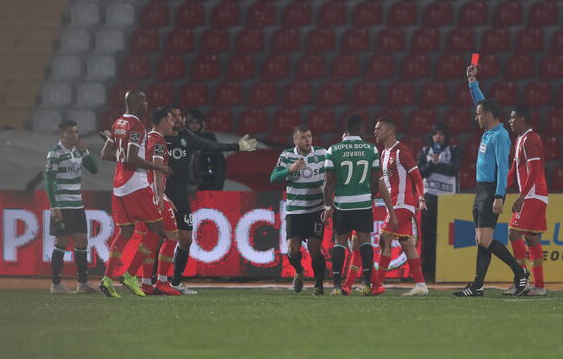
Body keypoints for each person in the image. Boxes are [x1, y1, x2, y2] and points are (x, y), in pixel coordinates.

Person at [453, 63, 529, 297]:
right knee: (480, 239)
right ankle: (477, 285)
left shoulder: (501, 136)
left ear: (488, 115)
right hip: (481, 190)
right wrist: (472, 82)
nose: (476, 117)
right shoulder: (489, 132)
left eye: (478, 114)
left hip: (490, 191)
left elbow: (503, 167)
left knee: (485, 239)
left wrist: (499, 195)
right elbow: (481, 101)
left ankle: (520, 272)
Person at [164, 106, 258, 293]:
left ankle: (174, 282)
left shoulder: (186, 136)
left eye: (178, 116)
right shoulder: (156, 138)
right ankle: (150, 281)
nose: (176, 119)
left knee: (185, 240)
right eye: (171, 116)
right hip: (161, 195)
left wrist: (236, 146)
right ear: (164, 119)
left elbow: (211, 146)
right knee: (159, 239)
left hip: (181, 196)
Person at [97, 90, 172, 298]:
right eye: (144, 100)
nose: (147, 104)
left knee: (126, 233)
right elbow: (131, 157)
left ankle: (107, 279)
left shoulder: (118, 123)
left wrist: (122, 155)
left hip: (118, 186)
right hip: (135, 185)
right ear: (137, 102)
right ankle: (130, 275)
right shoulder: (137, 125)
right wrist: (158, 168)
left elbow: (106, 154)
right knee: (158, 231)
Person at [322, 114, 398, 296]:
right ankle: (365, 284)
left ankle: (337, 286)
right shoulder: (371, 149)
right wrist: (368, 197)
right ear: (361, 129)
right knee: (364, 241)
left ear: (346, 129)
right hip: (363, 203)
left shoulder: (333, 150)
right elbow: (375, 180)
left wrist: (327, 207)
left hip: (342, 204)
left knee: (340, 242)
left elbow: (329, 183)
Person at [372, 118, 429, 296]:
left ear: (389, 132)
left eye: (378, 129)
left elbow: (417, 177)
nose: (375, 132)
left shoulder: (401, 152)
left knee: (384, 238)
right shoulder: (383, 153)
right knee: (407, 244)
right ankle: (421, 285)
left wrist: (421, 198)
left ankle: (377, 284)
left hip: (403, 204)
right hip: (394, 203)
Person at [270, 125, 329, 295]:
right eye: (303, 137)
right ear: (295, 140)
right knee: (293, 249)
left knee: (315, 247)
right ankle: (299, 271)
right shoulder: (287, 155)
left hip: (316, 210)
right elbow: (273, 178)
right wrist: (289, 169)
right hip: (295, 211)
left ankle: (318, 284)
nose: (308, 140)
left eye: (310, 136)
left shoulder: (322, 154)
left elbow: (332, 175)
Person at [44, 119, 98, 294]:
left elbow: (94, 169)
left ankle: (82, 283)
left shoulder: (78, 151)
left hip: (77, 204)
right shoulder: (54, 153)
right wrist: (54, 206)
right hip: (63, 203)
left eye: (76, 132)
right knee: (61, 241)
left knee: (82, 241)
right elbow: (49, 180)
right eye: (71, 132)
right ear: (62, 135)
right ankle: (56, 284)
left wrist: (86, 151)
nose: (75, 135)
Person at [136, 107, 183, 296]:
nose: (174, 123)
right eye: (171, 119)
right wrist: (160, 197)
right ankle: (162, 282)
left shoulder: (145, 139)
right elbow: (157, 170)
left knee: (152, 240)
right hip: (154, 196)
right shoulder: (159, 142)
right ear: (163, 120)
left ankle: (146, 284)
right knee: (172, 237)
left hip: (143, 194)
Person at [505, 107, 549, 297]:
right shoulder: (519, 140)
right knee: (532, 238)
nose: (510, 121)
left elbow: (535, 170)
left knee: (514, 234)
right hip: (534, 195)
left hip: (532, 195)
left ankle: (521, 282)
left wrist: (522, 196)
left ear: (522, 118)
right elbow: (514, 171)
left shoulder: (532, 139)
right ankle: (539, 286)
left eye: (513, 117)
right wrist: (500, 190)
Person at [416, 123, 460, 280]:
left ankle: (445, 269)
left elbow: (454, 169)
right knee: (428, 236)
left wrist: (435, 166)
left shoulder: (453, 150)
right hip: (430, 197)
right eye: (435, 134)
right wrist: (431, 164)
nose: (438, 136)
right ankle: (428, 270)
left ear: (446, 136)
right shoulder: (425, 151)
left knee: (447, 237)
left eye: (441, 133)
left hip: (448, 199)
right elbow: (419, 173)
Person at [186, 108, 227, 191]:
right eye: (191, 122)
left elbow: (219, 167)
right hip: (184, 185)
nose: (194, 125)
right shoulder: (180, 138)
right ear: (187, 123)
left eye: (197, 122)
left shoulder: (209, 139)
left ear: (202, 124)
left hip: (205, 184)